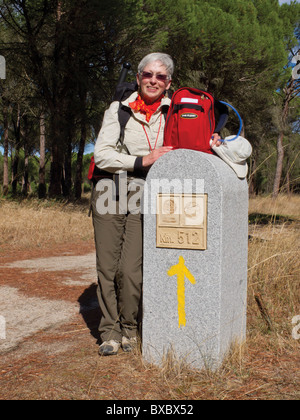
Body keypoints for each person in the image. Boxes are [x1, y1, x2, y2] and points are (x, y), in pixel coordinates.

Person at [92, 53, 175, 356]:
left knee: (130, 269)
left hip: (144, 190)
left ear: (169, 83)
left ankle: (130, 328)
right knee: (107, 266)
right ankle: (110, 331)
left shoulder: (174, 111)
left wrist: (215, 140)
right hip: (108, 188)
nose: (154, 80)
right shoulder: (119, 109)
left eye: (161, 76)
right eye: (148, 74)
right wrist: (141, 160)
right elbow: (101, 154)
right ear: (139, 77)